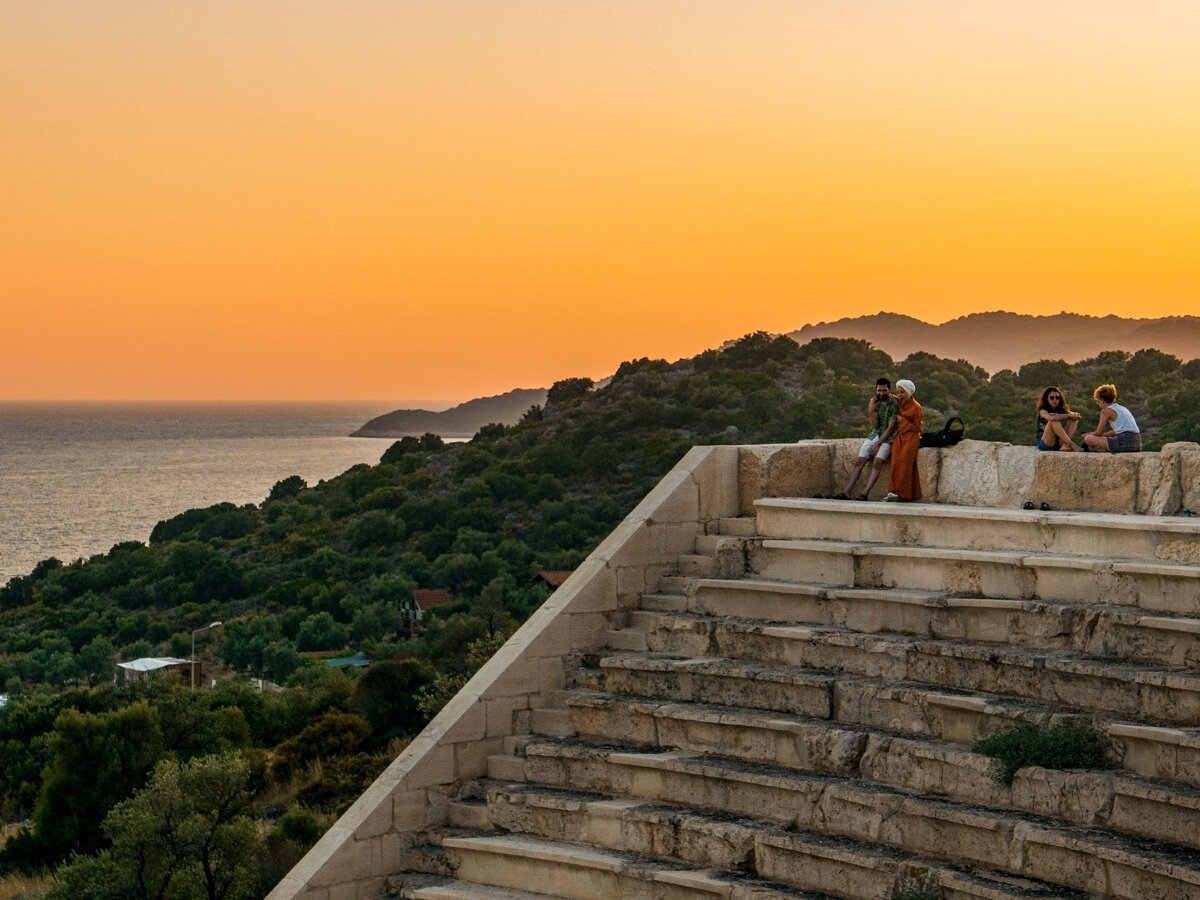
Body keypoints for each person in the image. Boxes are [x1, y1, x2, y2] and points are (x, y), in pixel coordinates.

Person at [835, 377, 899, 500]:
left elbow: (890, 428)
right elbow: (875, 426)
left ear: (889, 390)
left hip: (888, 437)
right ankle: (846, 492)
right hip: (876, 433)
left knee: (876, 463)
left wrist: (878, 444)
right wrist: (871, 411)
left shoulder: (893, 404)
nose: (881, 393)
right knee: (859, 461)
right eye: (879, 390)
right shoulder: (875, 402)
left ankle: (864, 494)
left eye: (884, 391)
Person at [884, 379, 922, 502]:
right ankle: (893, 492)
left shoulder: (916, 407)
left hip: (911, 438)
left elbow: (918, 428)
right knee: (895, 464)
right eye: (898, 392)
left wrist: (903, 421)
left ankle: (905, 495)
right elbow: (892, 398)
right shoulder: (901, 402)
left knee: (905, 465)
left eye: (902, 392)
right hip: (900, 437)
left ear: (909, 393)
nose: (899, 395)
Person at [1082, 384, 1142, 453]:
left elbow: (1098, 433)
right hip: (1137, 443)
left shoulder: (1106, 411)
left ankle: (1104, 448)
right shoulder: (1121, 408)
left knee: (1088, 438)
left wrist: (1087, 434)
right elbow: (1120, 430)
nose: (1098, 404)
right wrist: (1104, 435)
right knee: (1110, 438)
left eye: (1098, 402)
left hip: (1124, 443)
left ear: (1103, 400)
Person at [1036, 386, 1082, 451]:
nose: (1055, 400)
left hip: (1058, 442)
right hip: (1046, 442)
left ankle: (1065, 445)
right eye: (1052, 398)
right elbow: (1051, 418)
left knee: (1074, 419)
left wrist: (1074, 415)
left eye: (1057, 398)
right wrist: (1068, 415)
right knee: (1053, 420)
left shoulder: (1060, 409)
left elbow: (1075, 415)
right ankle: (1072, 445)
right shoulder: (1043, 410)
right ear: (1047, 399)